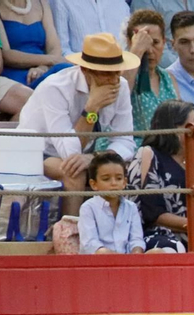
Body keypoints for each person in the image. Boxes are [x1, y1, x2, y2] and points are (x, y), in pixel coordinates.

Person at [15, 31, 136, 208]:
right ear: (86, 70)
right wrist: (91, 108)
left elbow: (126, 141)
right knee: (74, 172)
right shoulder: (55, 88)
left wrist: (95, 158)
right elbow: (69, 153)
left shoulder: (121, 86)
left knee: (117, 170)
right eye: (107, 73)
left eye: (117, 71)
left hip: (84, 155)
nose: (114, 79)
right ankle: (70, 231)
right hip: (37, 154)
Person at [135, 98, 194, 250]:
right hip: (155, 234)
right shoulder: (148, 154)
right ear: (174, 127)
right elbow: (151, 213)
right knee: (174, 247)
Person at [78, 150, 147, 252]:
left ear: (124, 182)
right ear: (94, 184)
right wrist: (118, 259)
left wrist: (136, 251)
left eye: (119, 178)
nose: (113, 183)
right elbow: (90, 244)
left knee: (158, 252)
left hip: (128, 262)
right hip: (99, 262)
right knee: (103, 252)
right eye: (106, 179)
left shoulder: (131, 207)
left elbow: (136, 239)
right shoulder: (88, 208)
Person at [125, 10, 177, 138]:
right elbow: (121, 92)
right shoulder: (121, 75)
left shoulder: (169, 78)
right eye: (144, 43)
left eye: (155, 43)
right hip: (128, 149)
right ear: (129, 43)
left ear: (164, 42)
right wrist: (137, 51)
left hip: (164, 150)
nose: (149, 50)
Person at [0, 0, 63, 87]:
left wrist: (42, 68)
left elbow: (54, 47)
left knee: (72, 73)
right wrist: (51, 60)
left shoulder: (41, 3)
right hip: (15, 72)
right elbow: (6, 55)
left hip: (45, 68)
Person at [50, 0, 131, 54]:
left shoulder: (120, 3)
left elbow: (128, 45)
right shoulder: (61, 2)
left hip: (120, 71)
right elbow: (62, 50)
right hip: (81, 72)